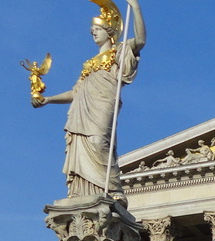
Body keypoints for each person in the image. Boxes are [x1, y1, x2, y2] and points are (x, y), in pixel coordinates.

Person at [33, 0, 145, 197]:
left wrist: (135, 7)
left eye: (97, 29)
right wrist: (48, 99)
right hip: (82, 111)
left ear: (109, 31)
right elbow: (76, 92)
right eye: (92, 30)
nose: (93, 33)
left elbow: (141, 40)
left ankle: (112, 189)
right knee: (81, 145)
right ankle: (83, 192)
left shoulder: (119, 51)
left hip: (103, 103)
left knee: (99, 142)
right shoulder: (89, 64)